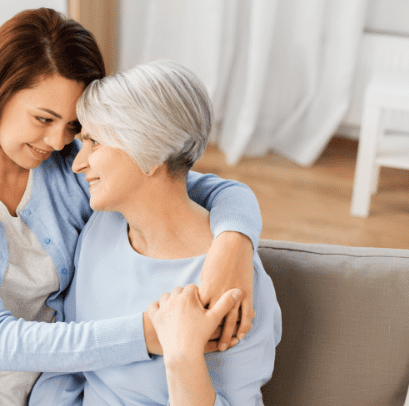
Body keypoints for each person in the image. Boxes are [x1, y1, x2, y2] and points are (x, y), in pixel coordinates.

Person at [0, 9, 262, 406]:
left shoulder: (75, 168)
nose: (60, 141)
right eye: (43, 119)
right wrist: (151, 335)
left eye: (73, 125)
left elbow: (197, 182)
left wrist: (233, 244)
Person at [29, 60, 281, 406]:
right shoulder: (102, 227)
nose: (77, 163)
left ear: (149, 152)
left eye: (95, 143)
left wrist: (183, 358)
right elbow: (71, 360)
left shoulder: (232, 285)